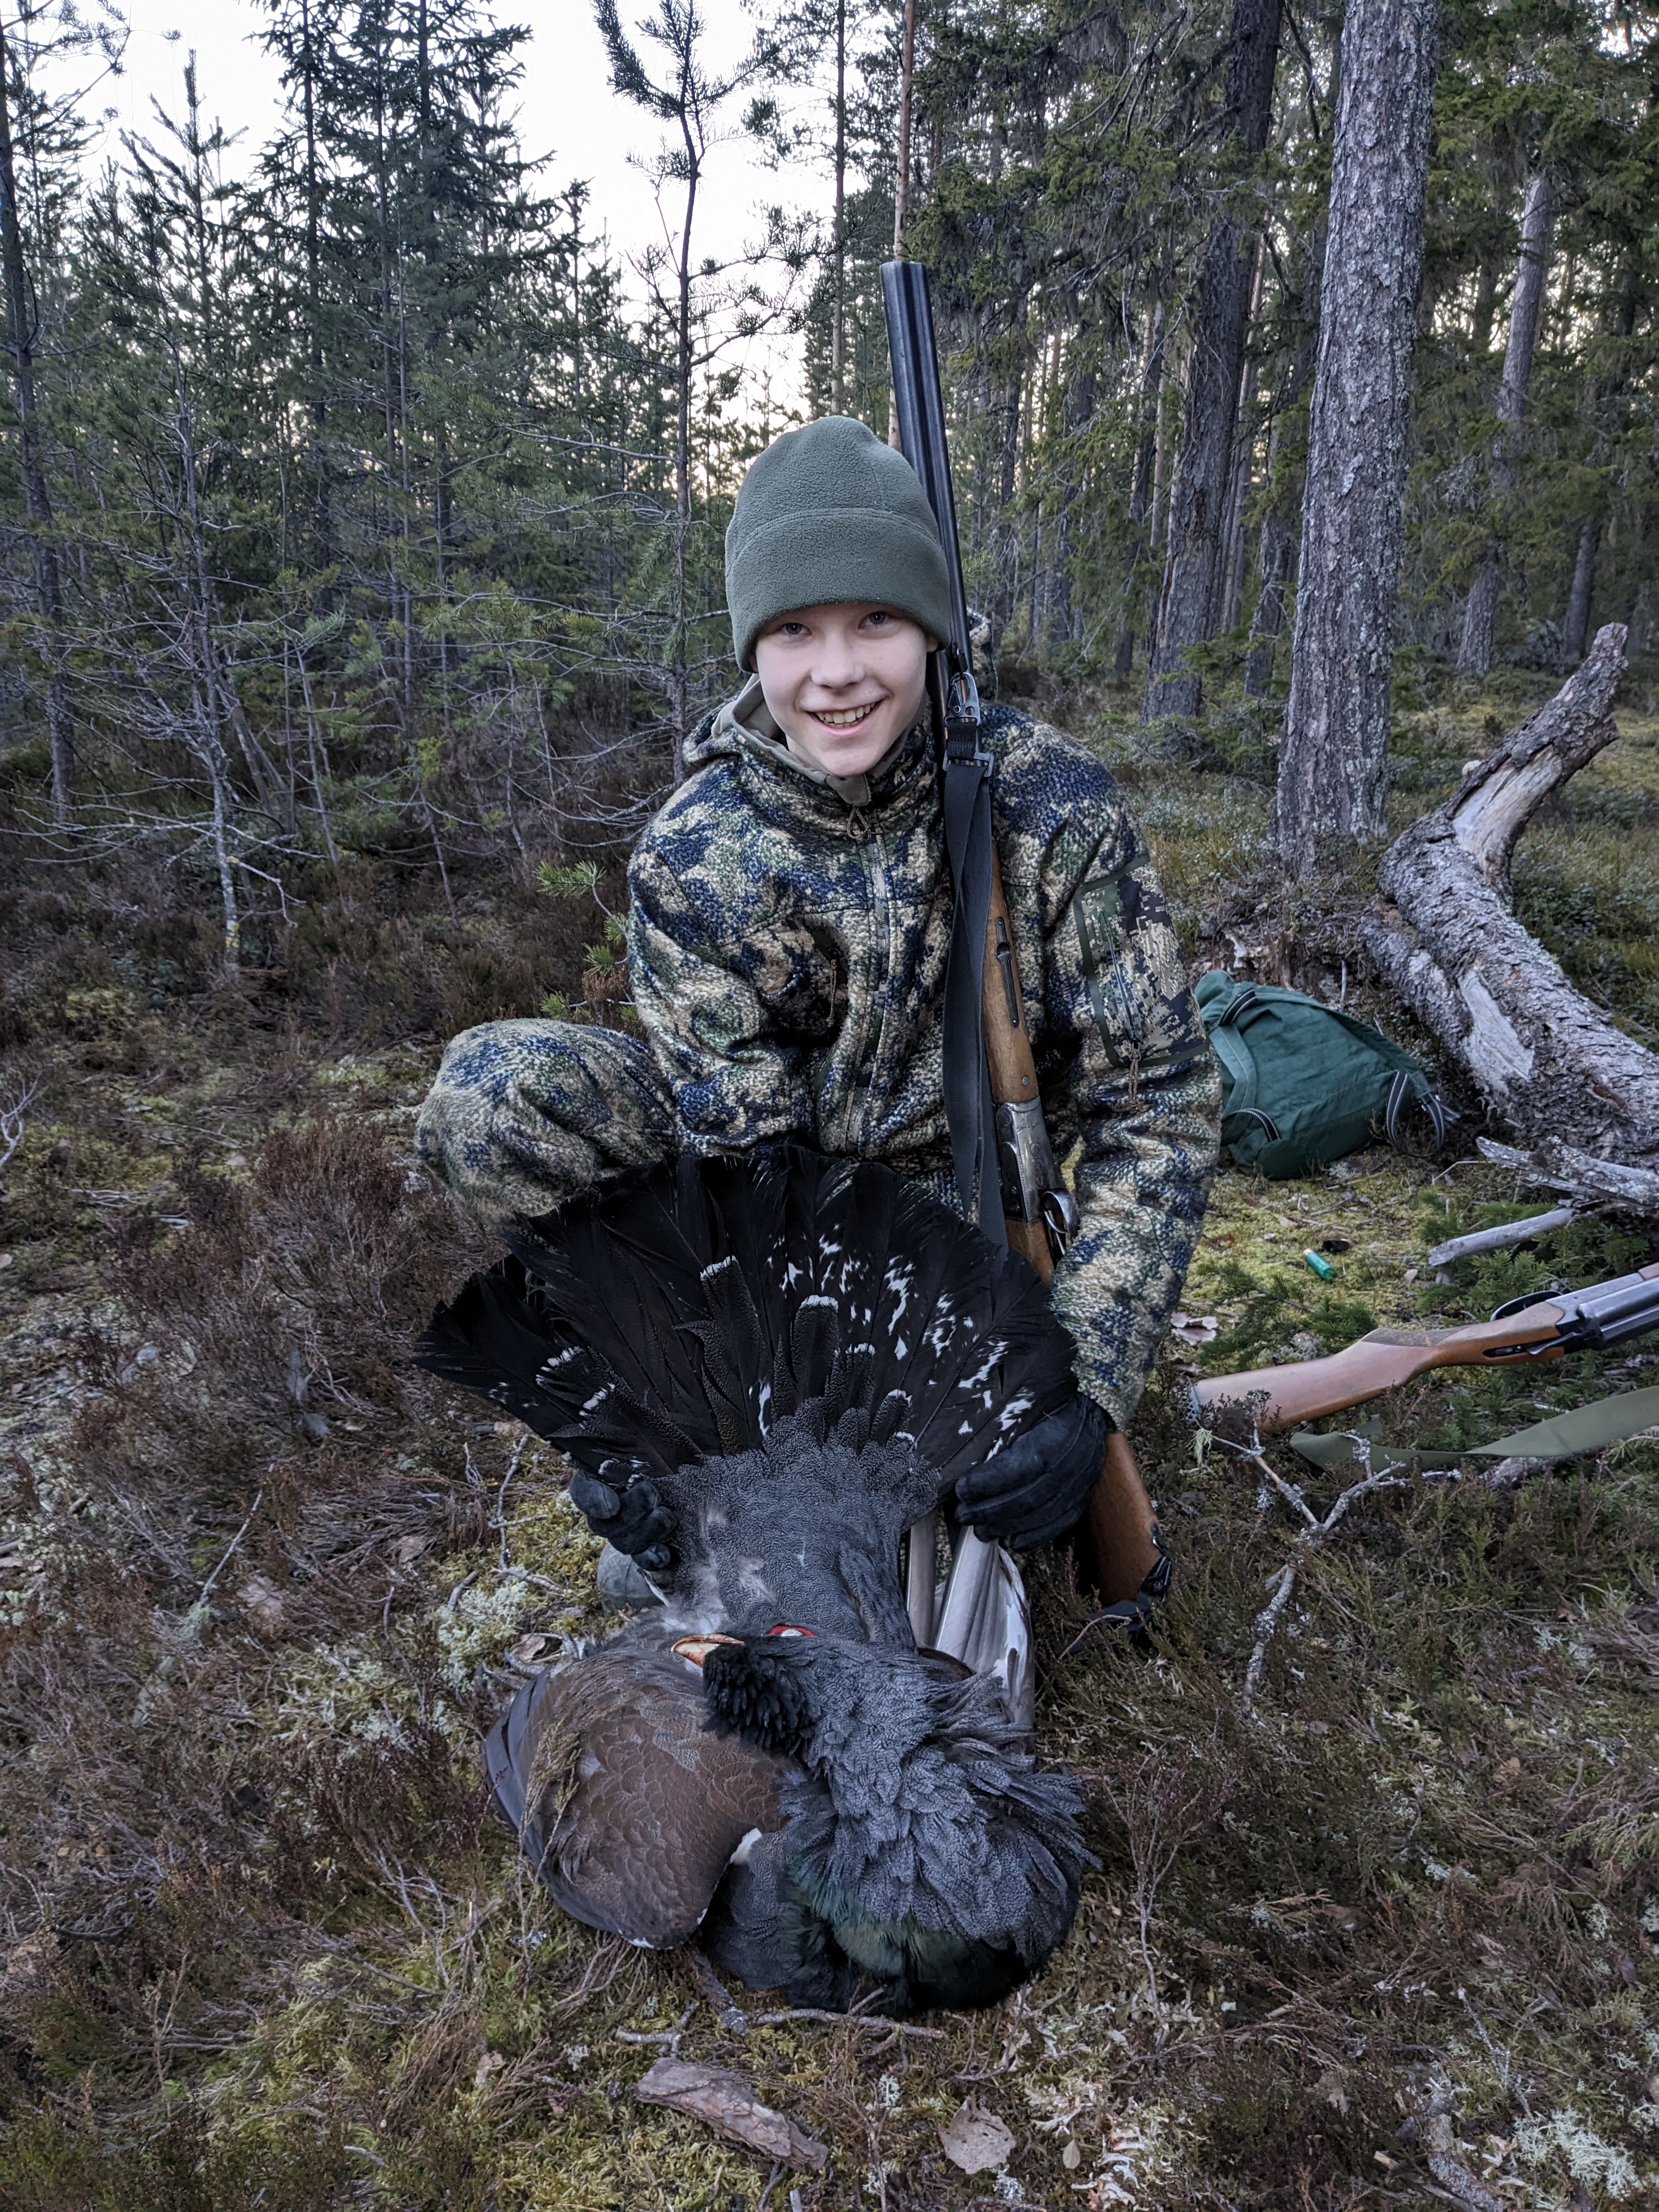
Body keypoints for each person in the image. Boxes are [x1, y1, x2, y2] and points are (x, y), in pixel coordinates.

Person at [415, 414, 1220, 1572]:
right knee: (496, 1095)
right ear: (753, 645)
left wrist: (1087, 1377)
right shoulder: (694, 854)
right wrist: (673, 1420)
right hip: (790, 1223)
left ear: (931, 626)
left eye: (876, 620)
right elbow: (743, 1184)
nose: (837, 672)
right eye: (795, 629)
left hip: (979, 1223)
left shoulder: (1054, 804)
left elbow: (1159, 1104)